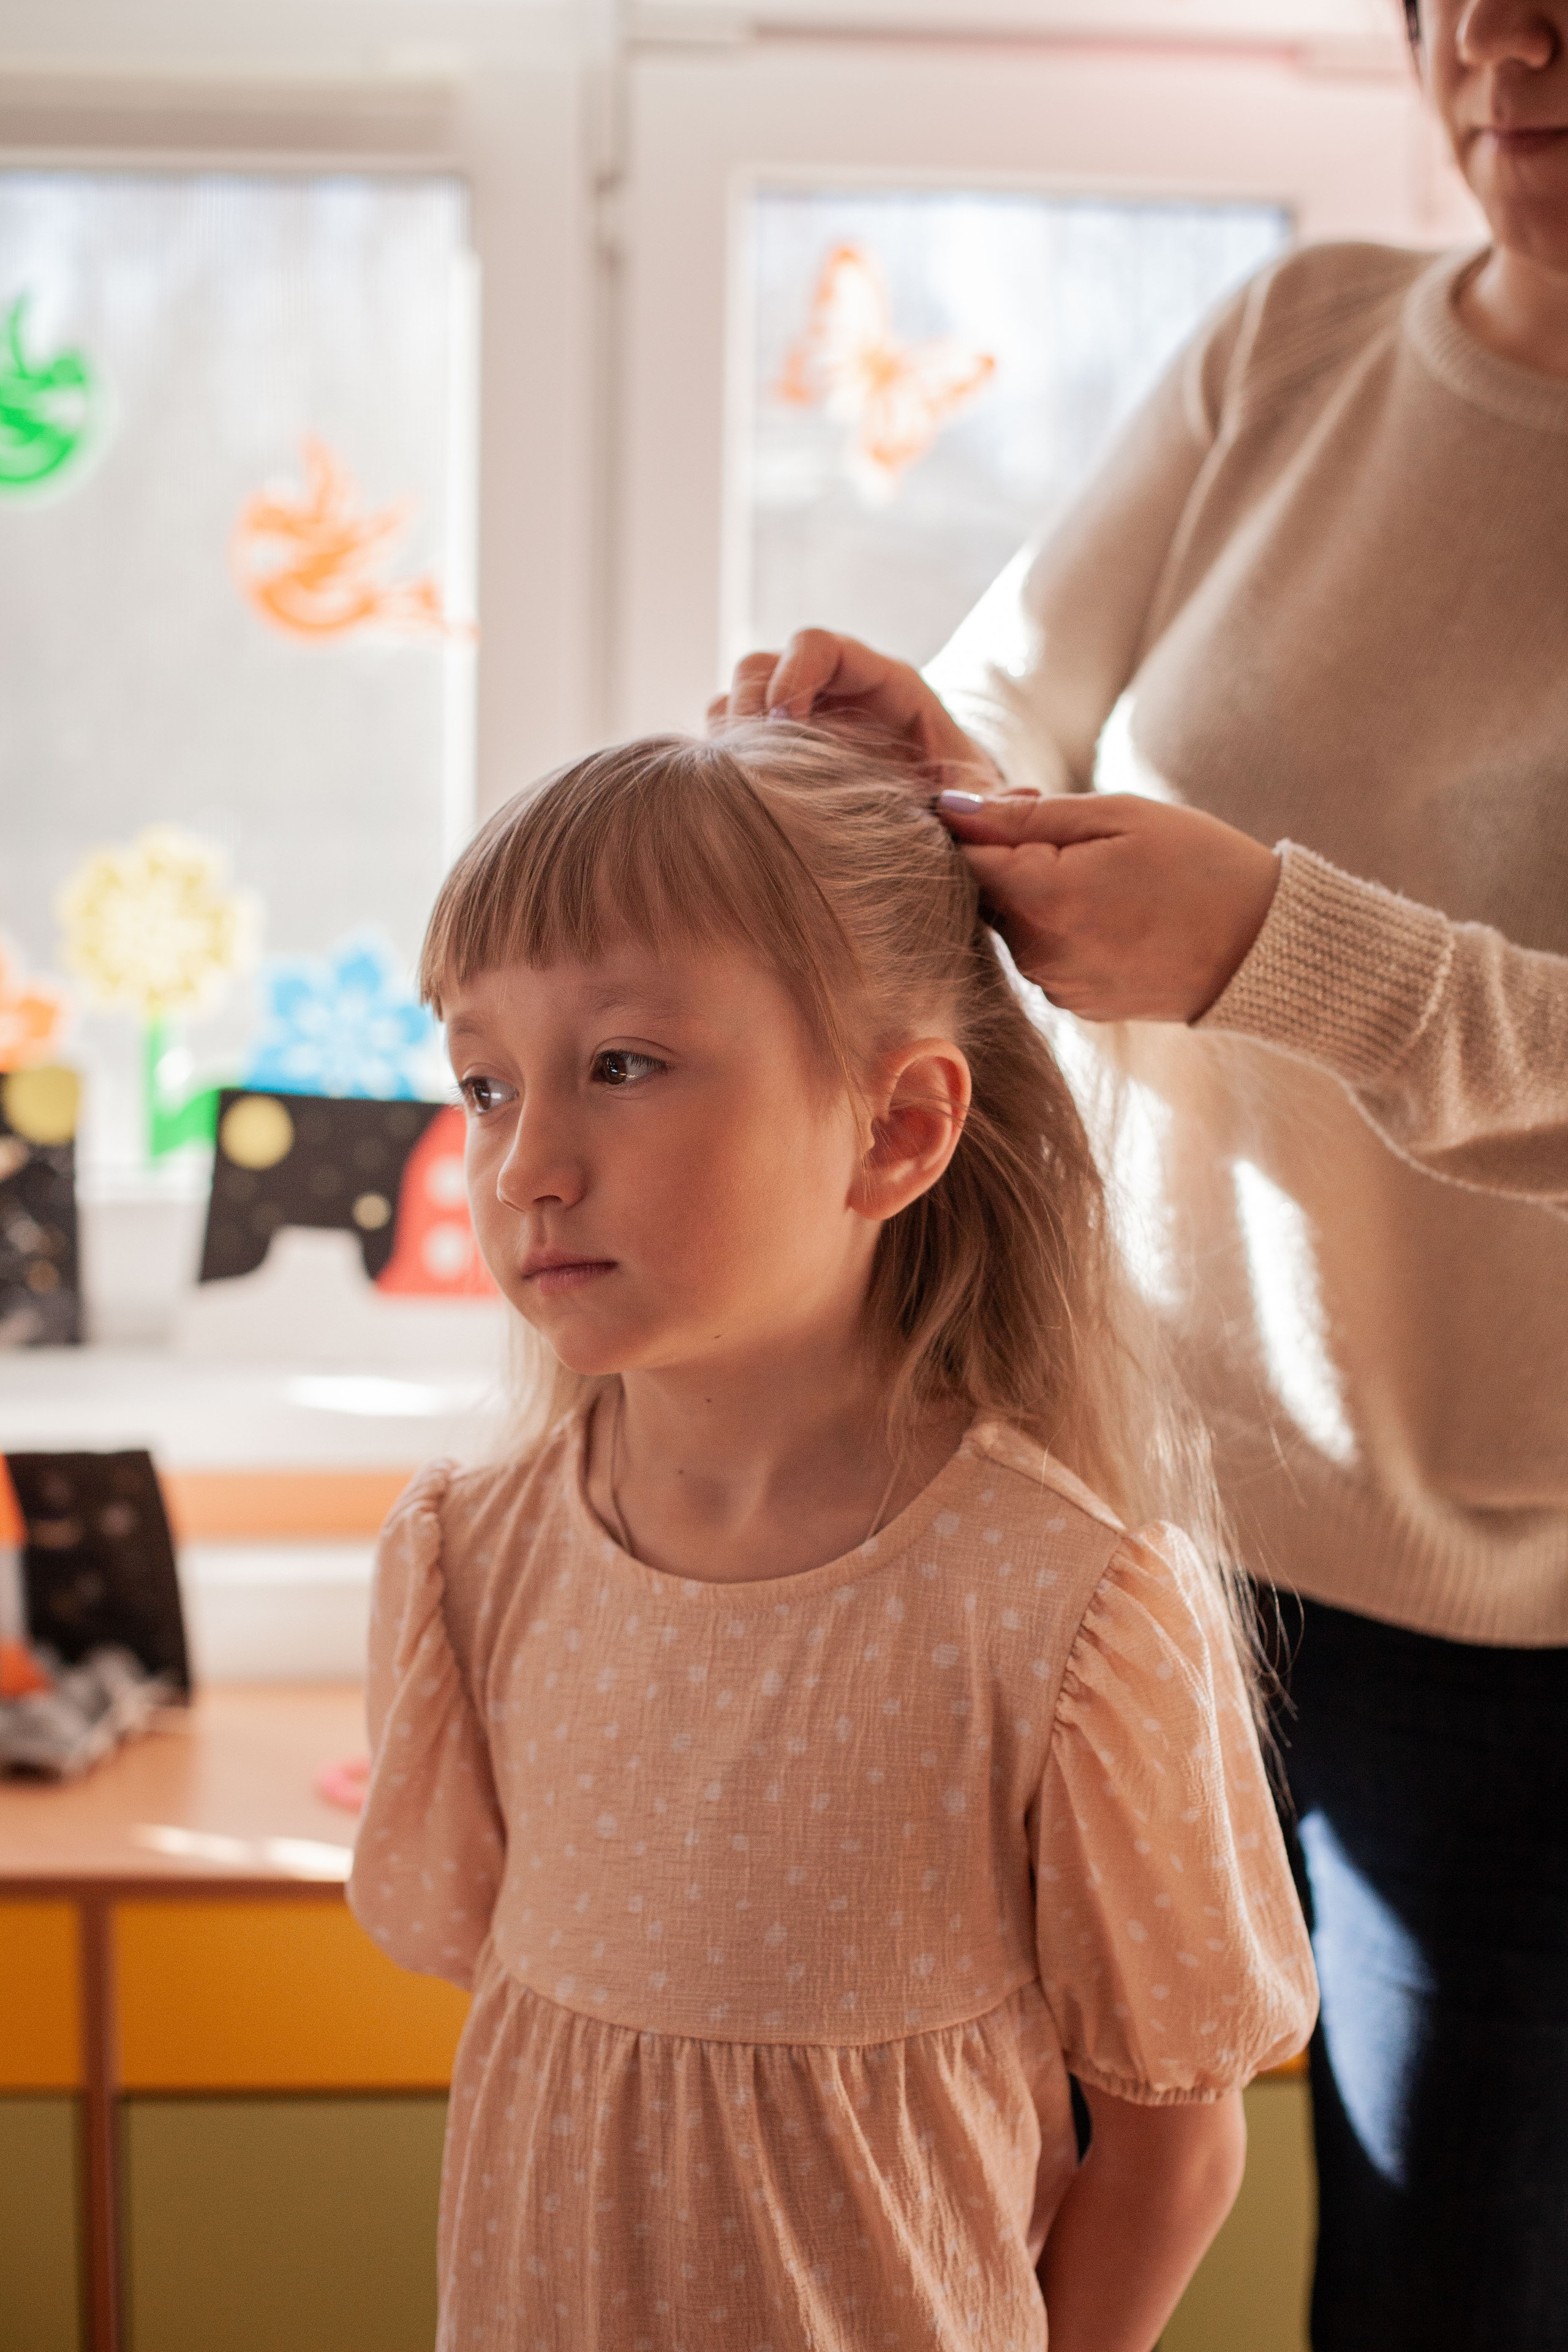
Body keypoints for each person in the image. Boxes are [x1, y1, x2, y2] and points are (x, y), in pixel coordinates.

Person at [709, 5, 1568, 2346]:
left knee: (1448, 2284)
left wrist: (1294, 951)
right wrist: (931, 772)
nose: (1508, 42)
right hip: (1122, 1520)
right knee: (982, 2224)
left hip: (1513, 1640)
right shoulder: (1292, 348)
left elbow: (1262, 934)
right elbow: (1034, 743)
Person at [348, 726, 1316, 2351]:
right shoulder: (471, 1556)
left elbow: (1169, 2137)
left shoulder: (1068, 1611)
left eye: (626, 1063)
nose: (525, 1166)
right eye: (485, 1082)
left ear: (896, 1132)